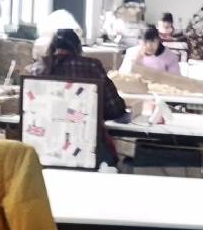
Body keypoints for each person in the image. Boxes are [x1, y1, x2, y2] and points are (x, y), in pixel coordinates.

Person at [29, 28, 129, 162]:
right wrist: (93, 113)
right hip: (87, 150)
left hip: (44, 151)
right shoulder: (92, 66)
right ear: (78, 48)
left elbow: (31, 110)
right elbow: (115, 108)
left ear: (52, 48)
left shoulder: (37, 69)